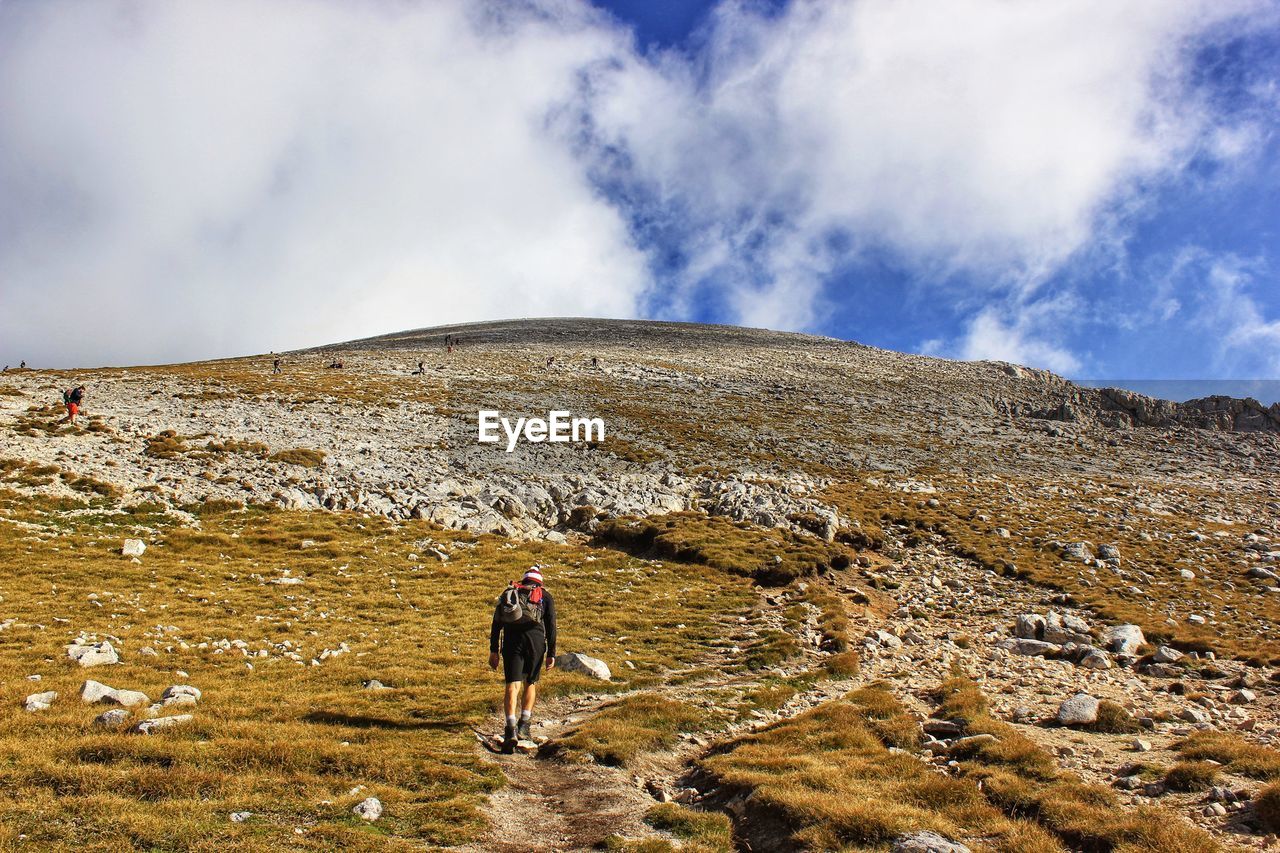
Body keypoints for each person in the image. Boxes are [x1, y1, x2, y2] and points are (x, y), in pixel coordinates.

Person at [489, 567, 557, 753]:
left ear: (523, 580)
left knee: (512, 685)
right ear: (539, 582)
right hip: (535, 641)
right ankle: (524, 727)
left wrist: (493, 650)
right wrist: (551, 653)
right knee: (530, 683)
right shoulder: (545, 596)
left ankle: (509, 728)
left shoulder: (510, 594)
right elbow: (551, 626)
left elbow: (496, 623)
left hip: (512, 640)